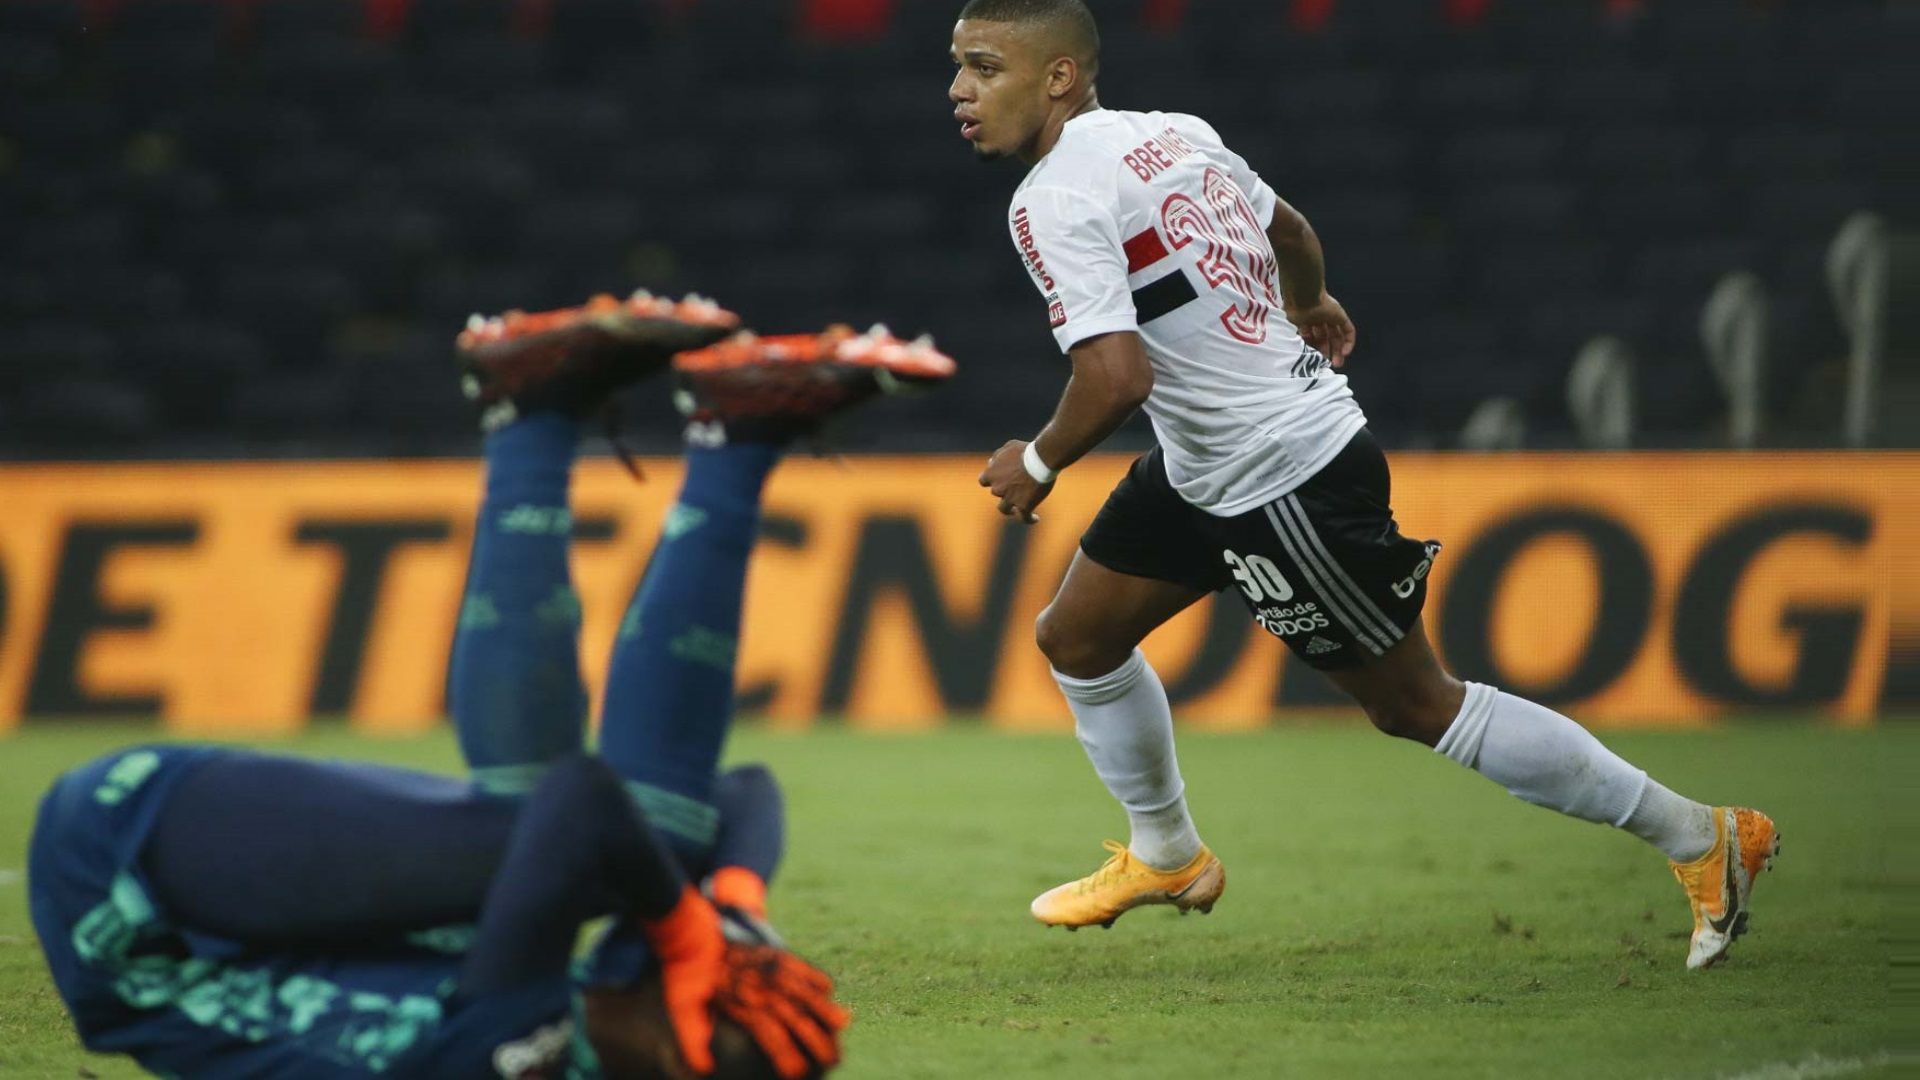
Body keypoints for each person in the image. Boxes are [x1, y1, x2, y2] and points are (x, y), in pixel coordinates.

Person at [948, 0, 1776, 969]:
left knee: (1418, 704)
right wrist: (1307, 299)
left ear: (1059, 78)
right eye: (956, 69)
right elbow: (1289, 229)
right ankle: (1167, 853)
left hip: (1285, 477)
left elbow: (1115, 379)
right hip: (1207, 466)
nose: (959, 93)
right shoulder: (1176, 135)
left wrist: (1037, 463)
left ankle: (1704, 838)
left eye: (982, 67)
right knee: (1077, 637)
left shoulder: (1050, 197)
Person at [28, 293, 953, 1077]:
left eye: (716, 995)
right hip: (207, 905)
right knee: (655, 836)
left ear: (675, 1048)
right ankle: (713, 440)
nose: (715, 972)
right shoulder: (585, 1012)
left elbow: (582, 802)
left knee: (618, 840)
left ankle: (583, 427)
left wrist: (684, 930)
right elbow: (740, 792)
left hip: (129, 896)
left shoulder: (511, 1034)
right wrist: (739, 905)